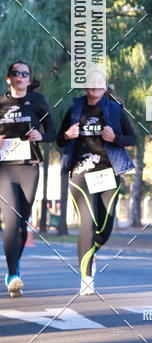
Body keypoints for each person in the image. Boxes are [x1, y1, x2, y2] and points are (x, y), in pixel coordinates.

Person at [57, 78, 136, 295]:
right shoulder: (75, 109)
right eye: (90, 82)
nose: (94, 86)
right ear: (85, 86)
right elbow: (60, 139)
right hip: (81, 175)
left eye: (99, 83)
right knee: (88, 225)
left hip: (109, 174)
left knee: (105, 229)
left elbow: (132, 138)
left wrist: (115, 137)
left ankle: (91, 252)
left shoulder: (115, 109)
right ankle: (86, 278)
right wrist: (67, 135)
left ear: (105, 87)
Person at [0, 60, 55, 297]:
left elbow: (52, 132)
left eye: (25, 73)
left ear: (29, 80)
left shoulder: (38, 101)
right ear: (8, 78)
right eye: (16, 73)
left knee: (22, 226)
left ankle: (14, 266)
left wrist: (39, 136)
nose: (20, 76)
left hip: (29, 167)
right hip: (4, 168)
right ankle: (13, 275)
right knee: (11, 221)